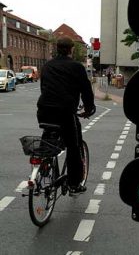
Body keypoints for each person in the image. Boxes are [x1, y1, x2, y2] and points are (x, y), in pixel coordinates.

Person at [37, 36, 96, 196]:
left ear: (57, 49)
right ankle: (74, 183)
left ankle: (43, 166)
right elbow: (86, 90)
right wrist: (89, 108)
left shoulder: (47, 66)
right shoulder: (76, 67)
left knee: (49, 134)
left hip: (43, 111)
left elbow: (44, 88)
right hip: (64, 112)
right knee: (73, 146)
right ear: (71, 50)